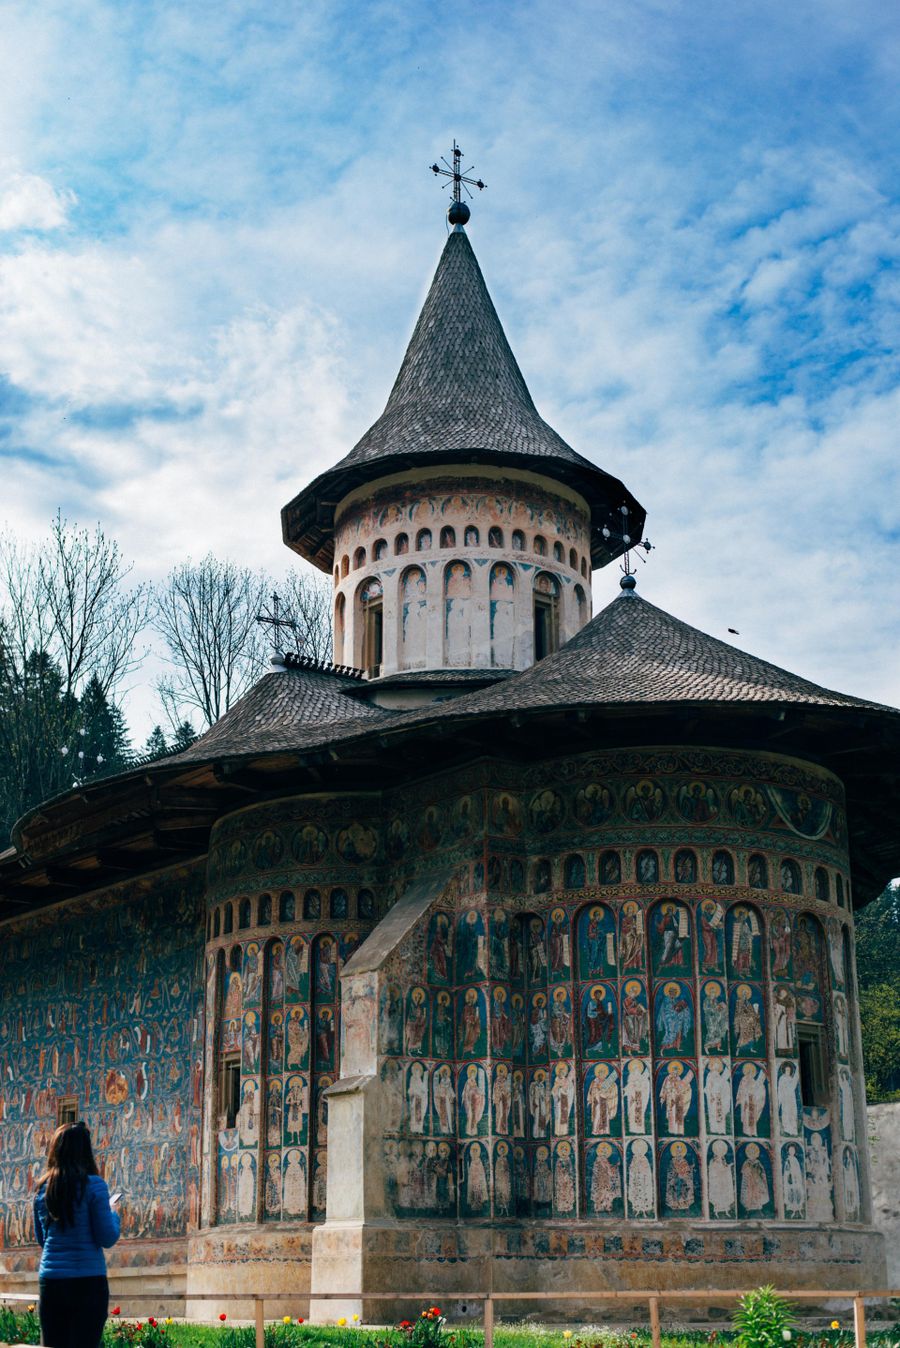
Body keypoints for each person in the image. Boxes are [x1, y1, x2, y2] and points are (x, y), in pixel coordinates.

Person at [33, 1121, 121, 1348]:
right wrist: (114, 1214)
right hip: (88, 1283)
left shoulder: (44, 1190)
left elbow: (43, 1240)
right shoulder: (94, 1186)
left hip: (52, 1281)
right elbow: (107, 1237)